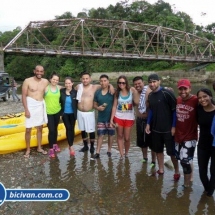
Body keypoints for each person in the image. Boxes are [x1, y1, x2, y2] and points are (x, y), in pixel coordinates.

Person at [145, 74, 179, 176]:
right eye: (150, 82)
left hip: (168, 129)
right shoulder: (150, 95)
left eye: (154, 81)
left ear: (159, 81)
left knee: (172, 153)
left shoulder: (167, 93)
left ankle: (177, 171)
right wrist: (148, 124)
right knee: (158, 151)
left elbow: (174, 110)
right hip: (156, 129)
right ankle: (161, 169)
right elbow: (151, 110)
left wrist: (174, 126)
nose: (152, 84)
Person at [76, 72, 114, 154]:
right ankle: (85, 146)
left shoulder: (94, 87)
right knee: (82, 130)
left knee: (91, 130)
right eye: (83, 78)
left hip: (89, 112)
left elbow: (105, 85)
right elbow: (68, 88)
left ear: (90, 79)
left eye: (87, 78)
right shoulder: (78, 87)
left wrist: (111, 86)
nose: (85, 80)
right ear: (81, 79)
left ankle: (92, 146)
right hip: (79, 112)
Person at [22, 65, 49, 158]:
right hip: (30, 106)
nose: (39, 73)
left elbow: (55, 87)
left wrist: (69, 87)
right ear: (34, 71)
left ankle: (39, 147)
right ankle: (28, 149)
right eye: (37, 71)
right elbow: (24, 96)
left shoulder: (46, 82)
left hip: (40, 105)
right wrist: (26, 110)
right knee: (28, 129)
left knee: (40, 128)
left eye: (41, 71)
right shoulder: (27, 81)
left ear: (43, 72)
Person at [175, 79, 198, 185]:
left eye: (185, 88)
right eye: (180, 89)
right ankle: (190, 177)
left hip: (190, 136)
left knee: (185, 161)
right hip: (178, 135)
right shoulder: (178, 99)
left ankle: (186, 186)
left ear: (190, 88)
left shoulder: (196, 100)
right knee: (183, 159)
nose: (183, 91)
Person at [110, 75, 138, 159]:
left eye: (123, 82)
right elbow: (114, 106)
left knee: (127, 138)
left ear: (126, 83)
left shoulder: (132, 90)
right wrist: (111, 119)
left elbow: (141, 91)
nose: (121, 84)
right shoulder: (117, 93)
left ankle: (126, 153)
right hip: (118, 117)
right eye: (119, 83)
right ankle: (121, 154)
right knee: (119, 136)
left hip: (129, 117)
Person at [133, 76, 156, 166]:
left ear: (143, 83)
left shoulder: (149, 91)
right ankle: (145, 158)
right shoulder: (134, 93)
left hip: (150, 120)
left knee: (152, 141)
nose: (137, 85)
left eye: (139, 83)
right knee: (142, 141)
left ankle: (153, 161)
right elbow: (130, 105)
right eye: (135, 84)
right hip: (139, 120)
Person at [197, 88, 215, 197]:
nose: (202, 99)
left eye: (205, 96)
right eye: (200, 97)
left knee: (214, 171)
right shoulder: (199, 109)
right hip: (202, 145)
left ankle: (209, 194)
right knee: (202, 172)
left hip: (214, 146)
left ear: (210, 96)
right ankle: (208, 189)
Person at [93, 74, 115, 159]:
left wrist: (111, 86)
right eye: (101, 81)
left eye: (105, 81)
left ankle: (109, 150)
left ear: (108, 81)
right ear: (99, 82)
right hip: (101, 118)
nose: (103, 83)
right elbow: (94, 104)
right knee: (100, 135)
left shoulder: (112, 91)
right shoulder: (97, 92)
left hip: (111, 118)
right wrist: (98, 107)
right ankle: (97, 152)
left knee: (111, 135)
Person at [44, 72, 62, 158]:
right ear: (50, 79)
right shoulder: (46, 89)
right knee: (51, 130)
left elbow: (69, 89)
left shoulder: (59, 88)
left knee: (55, 129)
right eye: (54, 79)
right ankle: (51, 148)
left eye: (57, 80)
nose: (55, 81)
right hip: (48, 112)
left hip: (57, 111)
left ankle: (55, 144)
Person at [60, 77, 78, 156]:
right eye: (66, 83)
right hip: (65, 114)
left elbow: (79, 103)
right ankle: (70, 146)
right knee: (68, 128)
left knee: (72, 128)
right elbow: (58, 102)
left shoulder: (75, 92)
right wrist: (60, 113)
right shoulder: (61, 92)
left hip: (73, 114)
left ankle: (71, 143)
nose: (67, 85)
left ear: (72, 83)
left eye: (69, 83)